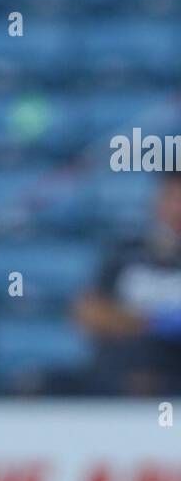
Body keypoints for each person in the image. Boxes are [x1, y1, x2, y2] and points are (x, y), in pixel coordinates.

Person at [74, 170, 181, 396]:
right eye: (173, 198)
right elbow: (89, 314)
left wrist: (128, 319)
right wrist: (153, 321)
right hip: (119, 377)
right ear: (157, 201)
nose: (178, 209)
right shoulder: (127, 251)